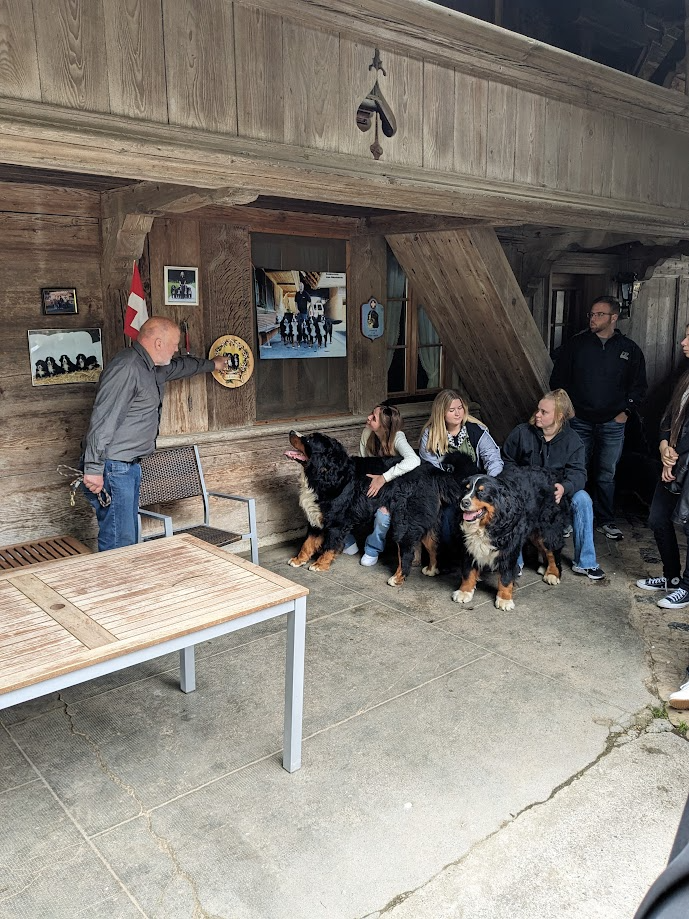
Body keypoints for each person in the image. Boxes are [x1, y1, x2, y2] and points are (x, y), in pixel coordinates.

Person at [82, 316, 230, 552]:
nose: (177, 348)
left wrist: (214, 364)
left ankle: (124, 584)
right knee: (119, 540)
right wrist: (92, 468)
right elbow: (104, 420)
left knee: (127, 537)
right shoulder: (127, 367)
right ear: (159, 343)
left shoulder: (153, 367)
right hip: (113, 468)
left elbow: (183, 366)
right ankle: (115, 587)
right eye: (174, 343)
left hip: (128, 467)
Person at [550, 295, 647, 540]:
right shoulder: (577, 345)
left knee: (606, 473)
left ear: (614, 317)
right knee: (575, 471)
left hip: (613, 423)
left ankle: (605, 520)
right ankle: (568, 519)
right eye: (591, 314)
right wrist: (568, 411)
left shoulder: (629, 349)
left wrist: (625, 412)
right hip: (579, 420)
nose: (593, 318)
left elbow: (639, 386)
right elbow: (557, 380)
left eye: (599, 314)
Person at [502, 389, 605, 580]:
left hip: (557, 492)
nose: (537, 415)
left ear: (559, 416)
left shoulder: (573, 440)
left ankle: (586, 562)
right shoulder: (521, 433)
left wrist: (565, 487)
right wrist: (519, 484)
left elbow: (579, 473)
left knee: (583, 499)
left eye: (544, 412)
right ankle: (514, 562)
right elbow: (507, 462)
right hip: (526, 492)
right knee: (508, 502)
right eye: (538, 410)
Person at [636, 325, 689, 616]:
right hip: (671, 461)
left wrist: (676, 459)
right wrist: (663, 448)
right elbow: (668, 417)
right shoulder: (685, 376)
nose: (683, 341)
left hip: (686, 466)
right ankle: (671, 576)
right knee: (657, 518)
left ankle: (688, 588)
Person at [419, 389, 503, 548]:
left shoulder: (476, 430)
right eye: (451, 410)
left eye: (460, 408)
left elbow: (493, 459)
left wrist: (490, 485)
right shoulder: (430, 435)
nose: (457, 413)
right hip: (447, 489)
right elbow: (431, 468)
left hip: (474, 488)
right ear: (441, 413)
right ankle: (449, 557)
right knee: (447, 517)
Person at [343, 404, 420, 566]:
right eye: (371, 414)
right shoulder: (367, 434)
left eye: (374, 418)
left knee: (382, 515)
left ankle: (373, 548)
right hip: (373, 484)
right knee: (344, 502)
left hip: (395, 488)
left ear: (384, 426)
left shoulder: (398, 437)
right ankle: (347, 541)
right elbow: (365, 463)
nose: (369, 418)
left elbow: (414, 460)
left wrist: (384, 478)